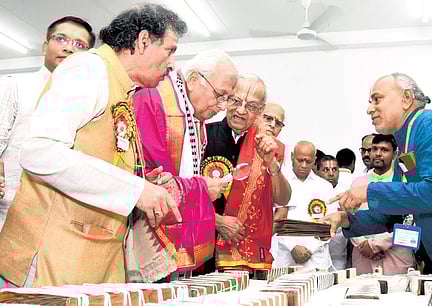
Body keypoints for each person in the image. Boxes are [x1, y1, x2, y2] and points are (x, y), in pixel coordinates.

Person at [0, 3, 187, 287]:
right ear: (143, 40)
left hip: (91, 254)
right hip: (51, 254)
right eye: (169, 50)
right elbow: (40, 151)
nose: (171, 63)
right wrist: (136, 190)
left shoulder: (121, 86)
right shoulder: (87, 69)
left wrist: (137, 181)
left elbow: (92, 156)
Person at [323, 72, 432, 295]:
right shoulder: (405, 147)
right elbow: (393, 214)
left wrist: (370, 190)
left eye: (377, 99)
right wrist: (346, 219)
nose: (369, 109)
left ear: (406, 98)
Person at [133, 49, 238, 277]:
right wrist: (202, 187)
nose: (222, 106)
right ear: (193, 80)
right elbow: (150, 179)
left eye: (227, 99)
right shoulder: (153, 100)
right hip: (146, 240)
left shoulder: (193, 114)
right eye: (220, 95)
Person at [0, 16, 96, 231]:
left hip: (62, 219)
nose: (69, 48)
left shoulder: (88, 102)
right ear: (45, 46)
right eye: (61, 39)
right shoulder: (16, 86)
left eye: (80, 45)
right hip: (11, 213)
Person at [204, 74, 291, 272]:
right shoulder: (203, 135)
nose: (241, 111)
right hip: (203, 245)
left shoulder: (268, 146)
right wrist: (217, 221)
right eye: (236, 101)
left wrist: (272, 163)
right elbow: (184, 190)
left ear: (260, 110)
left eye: (251, 106)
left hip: (248, 255)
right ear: (226, 100)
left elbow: (283, 198)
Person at [350, 134, 415, 274]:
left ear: (395, 154)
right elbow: (349, 218)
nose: (378, 154)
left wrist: (377, 245)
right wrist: (362, 244)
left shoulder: (405, 182)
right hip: (363, 257)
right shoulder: (358, 183)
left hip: (396, 256)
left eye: (384, 150)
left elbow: (409, 222)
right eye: (374, 149)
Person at [272, 141, 335, 270]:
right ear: (291, 157)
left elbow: (331, 224)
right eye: (300, 160)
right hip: (285, 256)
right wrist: (292, 247)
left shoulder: (325, 187)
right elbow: (275, 221)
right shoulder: (279, 183)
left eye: (308, 161)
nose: (304, 165)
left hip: (316, 257)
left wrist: (312, 248)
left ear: (315, 160)